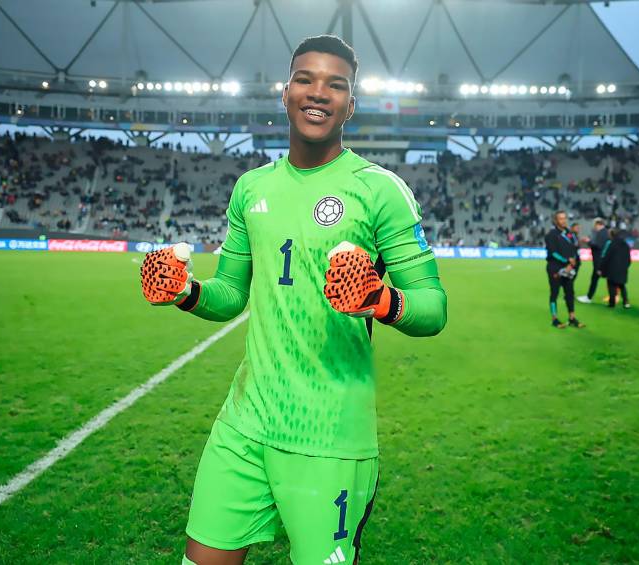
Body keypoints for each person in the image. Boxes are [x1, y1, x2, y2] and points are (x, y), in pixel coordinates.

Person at [140, 35, 447, 565]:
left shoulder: (380, 191)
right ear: (285, 94)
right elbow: (231, 292)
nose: (318, 92)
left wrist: (379, 298)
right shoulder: (250, 187)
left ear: (352, 105)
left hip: (329, 439)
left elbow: (433, 307)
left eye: (336, 85)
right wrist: (186, 292)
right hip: (244, 425)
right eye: (305, 79)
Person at [544, 211, 585, 329]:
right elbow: (553, 253)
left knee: (570, 293)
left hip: (568, 268)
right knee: (554, 293)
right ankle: (554, 319)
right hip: (554, 268)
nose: (564, 221)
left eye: (565, 218)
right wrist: (566, 261)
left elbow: (575, 250)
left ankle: (572, 318)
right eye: (561, 219)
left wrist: (572, 264)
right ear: (556, 221)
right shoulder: (551, 235)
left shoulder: (571, 234)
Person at [577, 218, 609, 304]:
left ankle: (589, 297)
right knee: (601, 278)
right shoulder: (604, 232)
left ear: (597, 224)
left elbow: (598, 246)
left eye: (594, 225)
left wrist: (588, 241)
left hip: (599, 260)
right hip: (602, 259)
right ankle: (615, 297)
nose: (593, 227)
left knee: (596, 278)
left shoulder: (602, 233)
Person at [599, 228, 631, 308]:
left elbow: (607, 257)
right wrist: (626, 266)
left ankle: (612, 303)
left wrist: (601, 268)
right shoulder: (625, 244)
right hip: (622, 268)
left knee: (611, 285)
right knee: (622, 285)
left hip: (612, 268)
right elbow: (628, 258)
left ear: (611, 234)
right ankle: (626, 302)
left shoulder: (611, 244)